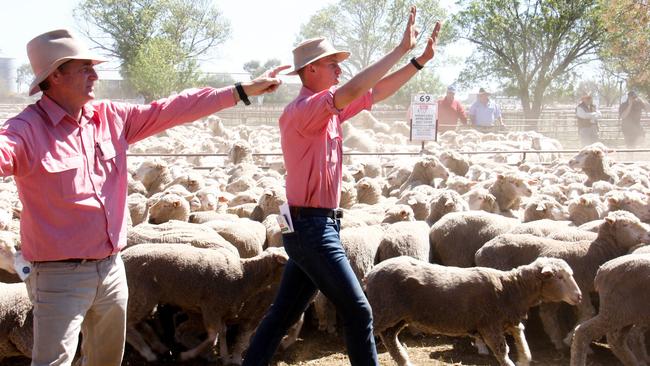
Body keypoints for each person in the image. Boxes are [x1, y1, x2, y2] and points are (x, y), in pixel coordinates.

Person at [1, 29, 286, 366]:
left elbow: (177, 107)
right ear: (56, 75)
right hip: (59, 278)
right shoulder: (26, 130)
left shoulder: (110, 118)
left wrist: (240, 91)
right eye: (84, 69)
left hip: (111, 270)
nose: (95, 75)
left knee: (107, 360)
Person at [242, 7, 441, 366]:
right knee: (360, 311)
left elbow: (375, 91)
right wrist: (398, 50)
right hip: (311, 228)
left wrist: (418, 62)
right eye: (333, 64)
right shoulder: (304, 111)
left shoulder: (328, 111)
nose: (340, 69)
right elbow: (355, 88)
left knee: (282, 315)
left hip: (314, 225)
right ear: (311, 70)